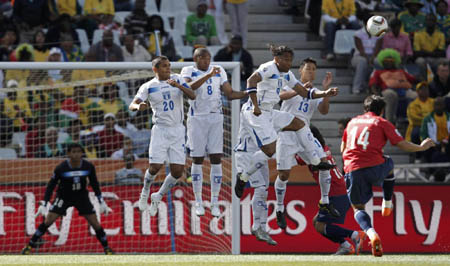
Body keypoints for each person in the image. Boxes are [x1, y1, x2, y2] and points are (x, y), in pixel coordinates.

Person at [234, 45, 338, 199]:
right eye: (286, 60)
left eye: (290, 60)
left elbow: (303, 92)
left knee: (299, 124)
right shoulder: (268, 68)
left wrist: (325, 92)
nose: (289, 63)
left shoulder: (287, 74)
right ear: (276, 59)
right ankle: (243, 176)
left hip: (269, 111)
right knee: (270, 150)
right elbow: (251, 80)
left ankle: (316, 161)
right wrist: (255, 105)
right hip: (255, 111)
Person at [341, 95, 435, 256]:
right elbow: (401, 144)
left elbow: (343, 148)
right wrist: (421, 147)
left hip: (352, 169)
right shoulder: (382, 122)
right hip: (374, 167)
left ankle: (371, 233)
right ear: (382, 111)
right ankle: (387, 201)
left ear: (365, 108)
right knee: (389, 163)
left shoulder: (351, 123)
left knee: (358, 208)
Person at [180, 47, 247, 217]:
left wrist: (249, 93)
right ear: (196, 59)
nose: (207, 61)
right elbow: (189, 90)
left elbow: (230, 94)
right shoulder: (188, 70)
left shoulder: (219, 70)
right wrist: (208, 76)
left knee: (216, 158)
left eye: (208, 58)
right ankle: (198, 202)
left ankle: (215, 202)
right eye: (203, 58)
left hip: (216, 118)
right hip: (197, 119)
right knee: (197, 159)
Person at [275, 57, 340, 230]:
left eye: (314, 69)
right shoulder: (290, 84)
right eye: (308, 68)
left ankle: (325, 201)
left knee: (324, 163)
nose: (311, 71)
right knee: (283, 175)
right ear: (300, 71)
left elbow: (324, 111)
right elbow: (280, 96)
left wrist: (326, 91)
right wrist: (301, 91)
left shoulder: (316, 91)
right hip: (287, 134)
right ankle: (280, 209)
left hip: (305, 133)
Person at [130, 56, 196, 216]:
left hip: (178, 130)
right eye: (165, 66)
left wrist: (179, 86)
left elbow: (192, 95)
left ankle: (158, 195)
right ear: (155, 69)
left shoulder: (178, 78)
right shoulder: (148, 86)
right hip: (160, 130)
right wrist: (139, 106)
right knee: (155, 167)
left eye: (169, 65)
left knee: (177, 172)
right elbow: (132, 104)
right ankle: (145, 191)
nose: (168, 69)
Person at [21, 143, 114, 255]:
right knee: (48, 220)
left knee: (95, 223)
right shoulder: (61, 168)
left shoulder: (88, 166)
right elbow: (51, 186)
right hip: (63, 197)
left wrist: (101, 201)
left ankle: (107, 248)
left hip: (81, 197)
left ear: (82, 153)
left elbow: (94, 184)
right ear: (68, 153)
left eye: (78, 152)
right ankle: (29, 246)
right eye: (73, 152)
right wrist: (44, 203)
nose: (76, 154)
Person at [297, 126, 366, 255]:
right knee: (316, 222)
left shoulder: (313, 153)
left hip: (335, 192)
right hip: (338, 190)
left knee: (320, 226)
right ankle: (345, 245)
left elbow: (299, 160)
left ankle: (355, 235)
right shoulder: (321, 149)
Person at [234, 100, 276, 245]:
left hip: (259, 154)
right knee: (259, 188)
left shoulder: (263, 109)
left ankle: (262, 227)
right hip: (246, 153)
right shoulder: (250, 109)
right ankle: (256, 226)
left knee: (263, 190)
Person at [369, 48, 417, 123]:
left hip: (404, 90)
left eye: (391, 61)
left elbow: (413, 79)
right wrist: (376, 93)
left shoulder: (401, 71)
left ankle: (413, 119)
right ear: (382, 62)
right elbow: (373, 84)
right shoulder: (378, 72)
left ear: (395, 62)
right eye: (386, 61)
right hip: (388, 91)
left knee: (415, 95)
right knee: (390, 94)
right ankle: (389, 121)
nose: (388, 63)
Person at [420, 96, 450, 181]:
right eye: (436, 105)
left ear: (444, 106)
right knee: (429, 151)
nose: (438, 107)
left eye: (440, 105)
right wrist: (434, 144)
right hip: (433, 146)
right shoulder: (427, 119)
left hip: (447, 145)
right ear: (433, 106)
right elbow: (423, 135)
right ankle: (433, 174)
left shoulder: (449, 117)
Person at [351, 17, 382, 94]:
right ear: (365, 24)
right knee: (362, 62)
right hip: (359, 56)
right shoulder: (358, 34)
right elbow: (361, 50)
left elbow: (377, 49)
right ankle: (356, 87)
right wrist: (368, 59)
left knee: (379, 62)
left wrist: (372, 58)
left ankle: (381, 87)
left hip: (374, 56)